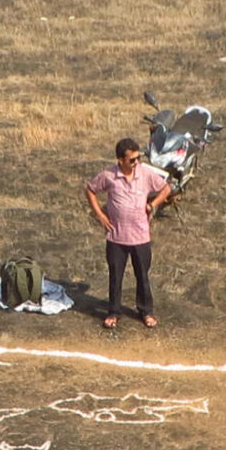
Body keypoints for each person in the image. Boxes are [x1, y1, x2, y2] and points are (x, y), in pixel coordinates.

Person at [83, 137, 171, 330]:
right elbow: (90, 190)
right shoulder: (108, 176)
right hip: (116, 236)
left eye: (138, 158)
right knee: (115, 275)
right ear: (120, 160)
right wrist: (100, 215)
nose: (136, 162)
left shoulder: (146, 173)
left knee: (142, 275)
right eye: (132, 159)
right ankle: (113, 312)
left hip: (140, 236)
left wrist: (153, 205)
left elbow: (166, 188)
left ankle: (146, 311)